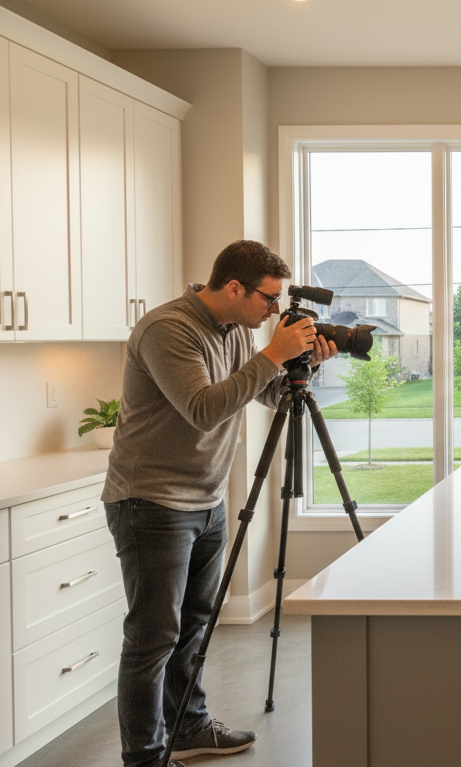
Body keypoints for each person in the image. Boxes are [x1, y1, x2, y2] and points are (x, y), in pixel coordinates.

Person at [101, 240, 337, 767]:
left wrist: (302, 365)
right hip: (151, 502)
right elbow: (203, 409)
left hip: (206, 498)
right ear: (234, 288)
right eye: (269, 298)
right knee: (153, 638)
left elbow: (268, 395)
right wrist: (273, 354)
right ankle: (144, 758)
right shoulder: (168, 330)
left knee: (194, 626)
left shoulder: (235, 330)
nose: (274, 310)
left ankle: (188, 727)